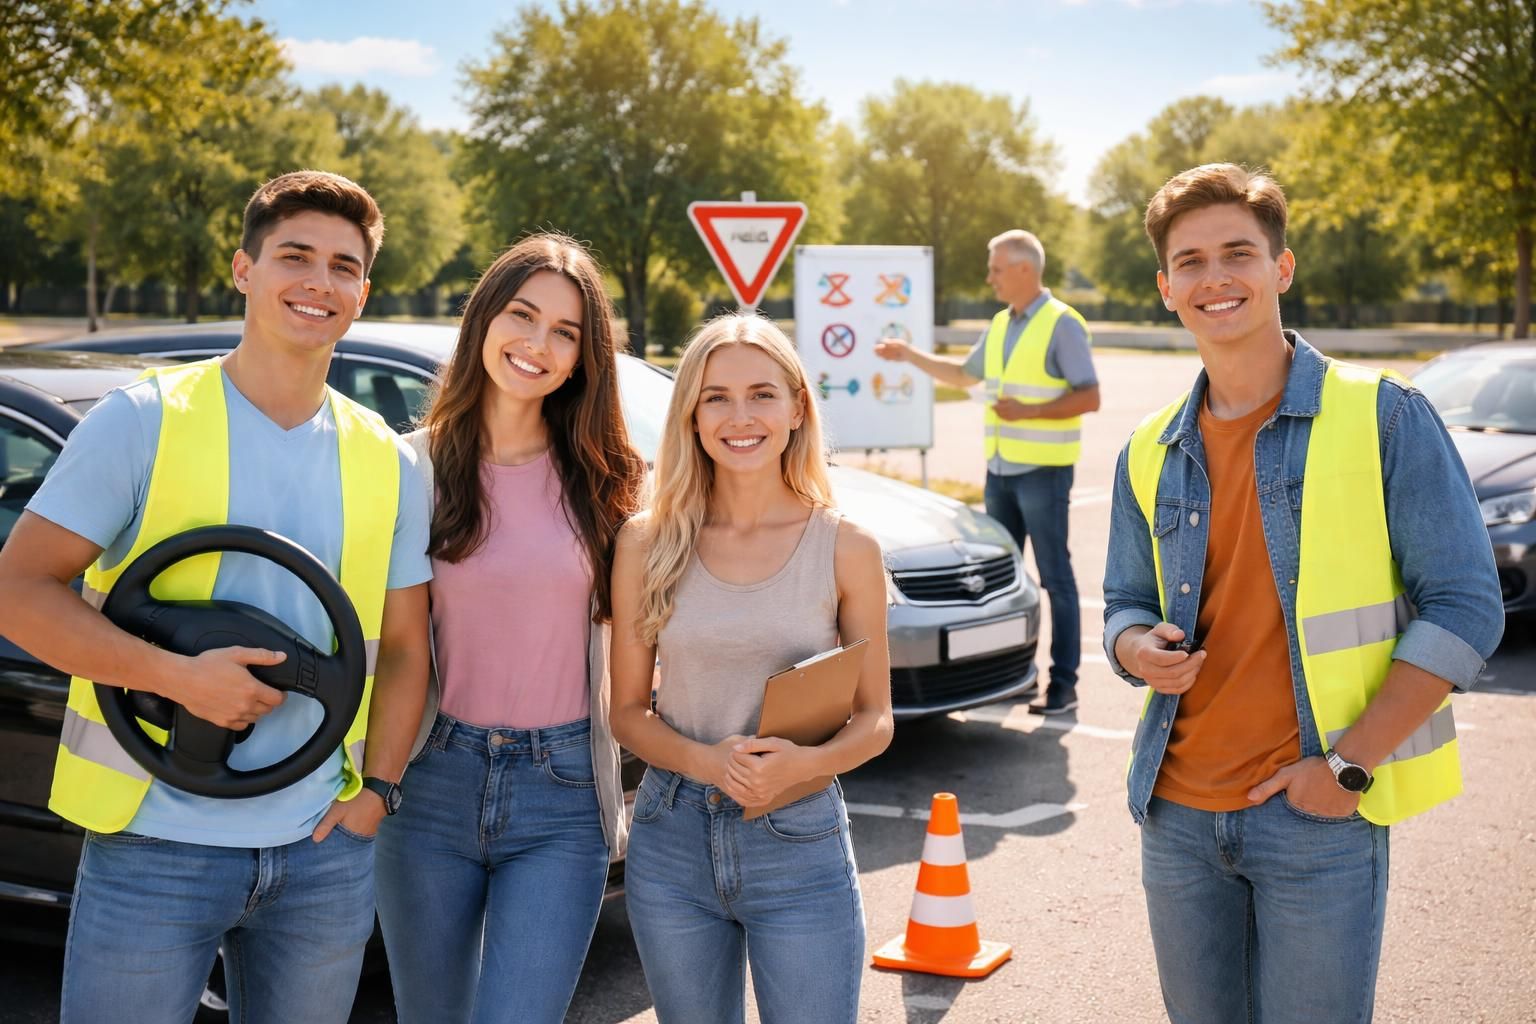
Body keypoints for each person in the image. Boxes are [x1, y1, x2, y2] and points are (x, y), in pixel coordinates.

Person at [0, 171, 433, 1023]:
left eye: (344, 266)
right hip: (149, 845)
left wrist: (377, 795)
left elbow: (411, 648)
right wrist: (178, 676)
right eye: (295, 256)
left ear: (364, 292)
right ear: (244, 269)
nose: (319, 282)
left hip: (320, 852)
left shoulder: (390, 458)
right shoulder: (142, 421)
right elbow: (18, 592)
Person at [1102, 163, 1504, 1023]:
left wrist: (1349, 766)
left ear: (1280, 269)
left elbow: (1467, 606)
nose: (1216, 278)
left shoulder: (1385, 414)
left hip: (1319, 812)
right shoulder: (1147, 447)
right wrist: (1133, 647)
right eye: (1192, 261)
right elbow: (1124, 602)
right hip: (1175, 815)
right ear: (1166, 288)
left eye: (1238, 253)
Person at [374, 233, 646, 1024]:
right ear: (483, 318)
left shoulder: (614, 484)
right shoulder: (407, 468)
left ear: (583, 359)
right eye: (523, 315)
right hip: (429, 780)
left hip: (562, 796)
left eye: (565, 332)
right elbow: (384, 645)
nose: (538, 344)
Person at [609, 314, 893, 1024]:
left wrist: (798, 765)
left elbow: (876, 720)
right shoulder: (647, 543)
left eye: (762, 395)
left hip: (798, 839)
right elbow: (627, 713)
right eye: (716, 398)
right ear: (693, 417)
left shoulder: (846, 546)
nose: (741, 417)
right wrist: (709, 763)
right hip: (670, 841)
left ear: (798, 407)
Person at [875, 230, 1099, 714]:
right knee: (997, 585)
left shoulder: (1062, 324)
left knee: (1054, 578)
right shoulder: (1001, 323)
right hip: (1000, 473)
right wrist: (909, 356)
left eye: (996, 268)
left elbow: (1090, 396)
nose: (989, 278)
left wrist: (1030, 413)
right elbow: (962, 375)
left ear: (1023, 269)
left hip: (1043, 472)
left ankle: (1063, 683)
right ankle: (1009, 677)